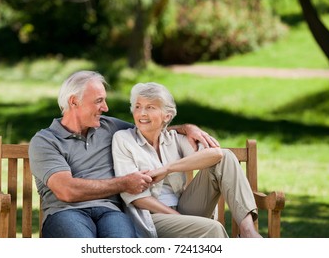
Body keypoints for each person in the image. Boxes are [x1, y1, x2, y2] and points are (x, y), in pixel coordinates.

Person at [28, 71, 217, 238]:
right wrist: (124, 183)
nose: (105, 108)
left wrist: (186, 128)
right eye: (99, 101)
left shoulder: (108, 127)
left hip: (110, 212)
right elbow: (67, 190)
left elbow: (150, 127)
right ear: (74, 101)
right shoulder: (45, 141)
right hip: (66, 212)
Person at [112, 82, 262, 238]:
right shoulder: (123, 140)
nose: (142, 113)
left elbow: (216, 154)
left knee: (226, 158)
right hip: (150, 217)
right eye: (137, 107)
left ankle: (248, 231)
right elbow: (137, 198)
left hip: (184, 207)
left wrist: (168, 168)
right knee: (213, 228)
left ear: (167, 116)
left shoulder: (174, 139)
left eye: (150, 107)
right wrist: (178, 217)